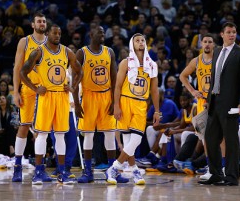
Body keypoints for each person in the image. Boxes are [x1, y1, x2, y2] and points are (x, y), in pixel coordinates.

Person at [20, 24, 82, 185]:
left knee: (60, 135)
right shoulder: (39, 51)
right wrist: (35, 88)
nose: (57, 35)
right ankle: (38, 172)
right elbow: (22, 72)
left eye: (59, 33)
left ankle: (62, 172)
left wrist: (73, 87)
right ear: (47, 34)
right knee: (42, 134)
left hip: (62, 97)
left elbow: (80, 71)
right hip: (46, 97)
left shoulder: (67, 51)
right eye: (55, 33)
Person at [199, 22, 240, 186]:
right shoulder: (218, 51)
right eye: (229, 32)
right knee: (210, 138)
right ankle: (215, 173)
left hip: (231, 104)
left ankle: (232, 177)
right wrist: (208, 99)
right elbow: (214, 77)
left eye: (234, 32)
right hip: (215, 101)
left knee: (231, 141)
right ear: (222, 34)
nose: (232, 35)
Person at [105, 33, 160, 185]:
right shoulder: (125, 62)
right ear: (132, 44)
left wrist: (157, 110)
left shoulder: (152, 65)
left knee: (135, 140)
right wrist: (116, 105)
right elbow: (117, 86)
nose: (141, 42)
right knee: (129, 141)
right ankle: (134, 170)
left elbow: (155, 91)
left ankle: (113, 168)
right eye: (137, 40)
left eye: (143, 40)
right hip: (125, 101)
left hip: (141, 103)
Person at [73, 26, 120, 183]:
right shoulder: (82, 53)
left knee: (109, 134)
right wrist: (77, 104)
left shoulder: (109, 52)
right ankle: (88, 171)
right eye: (99, 32)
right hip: (88, 97)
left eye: (103, 31)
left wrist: (115, 101)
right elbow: (75, 79)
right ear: (91, 34)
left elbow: (114, 78)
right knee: (88, 134)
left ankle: (112, 171)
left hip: (106, 96)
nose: (103, 34)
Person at [179, 33, 226, 180]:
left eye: (209, 42)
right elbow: (183, 76)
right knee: (205, 137)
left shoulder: (219, 59)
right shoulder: (196, 60)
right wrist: (193, 91)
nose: (207, 44)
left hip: (216, 100)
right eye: (204, 42)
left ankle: (223, 167)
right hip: (201, 102)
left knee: (220, 136)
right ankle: (210, 168)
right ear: (201, 44)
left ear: (214, 45)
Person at [11, 12, 47, 182]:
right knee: (24, 127)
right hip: (28, 89)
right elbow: (18, 67)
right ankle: (17, 166)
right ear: (33, 24)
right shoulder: (24, 42)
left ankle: (40, 169)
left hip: (46, 92)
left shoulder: (51, 42)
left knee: (43, 131)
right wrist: (16, 92)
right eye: (39, 21)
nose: (42, 23)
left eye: (44, 21)